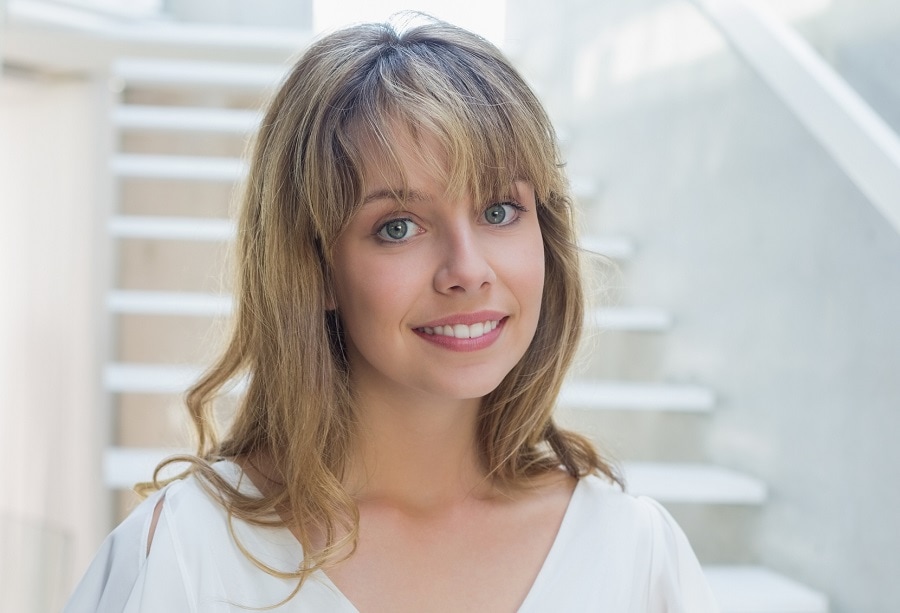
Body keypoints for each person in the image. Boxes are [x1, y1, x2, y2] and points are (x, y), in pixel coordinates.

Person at [65, 15, 720, 612]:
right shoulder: (186, 554)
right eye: (399, 225)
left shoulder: (634, 555)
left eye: (498, 211)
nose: (467, 269)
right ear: (315, 264)